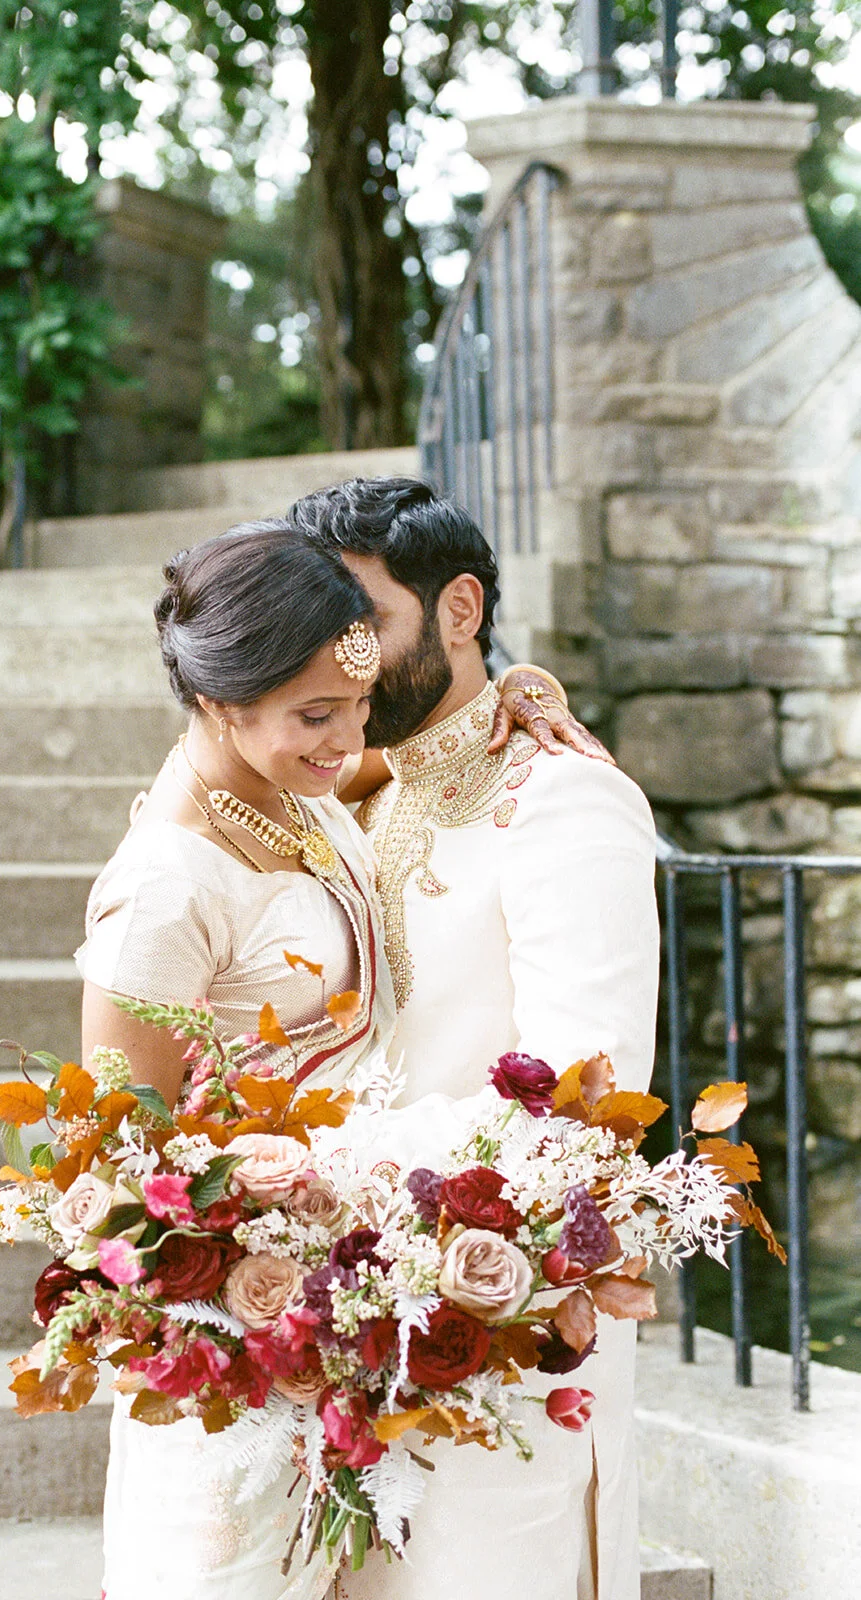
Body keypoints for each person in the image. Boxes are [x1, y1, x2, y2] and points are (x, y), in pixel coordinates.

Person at [75, 518, 589, 1600]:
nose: (348, 738)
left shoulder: (286, 786)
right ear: (220, 701)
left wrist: (519, 700)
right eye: (319, 713)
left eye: (356, 705)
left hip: (335, 1310)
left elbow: (397, 753)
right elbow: (113, 1161)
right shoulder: (168, 883)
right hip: (229, 1350)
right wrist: (247, 1311)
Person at [287, 476, 660, 1600]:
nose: (328, 666)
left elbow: (584, 1110)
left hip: (506, 1338)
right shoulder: (362, 788)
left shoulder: (564, 804)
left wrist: (313, 1178)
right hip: (349, 1320)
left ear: (459, 609)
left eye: (359, 629)